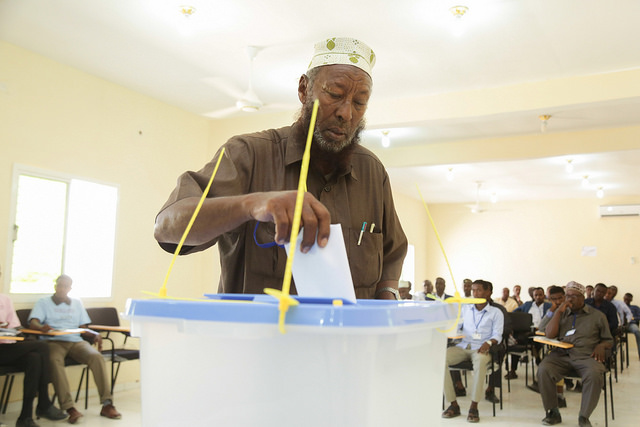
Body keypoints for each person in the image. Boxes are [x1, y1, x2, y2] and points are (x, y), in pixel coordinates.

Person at [154, 37, 407, 301]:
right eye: (335, 95)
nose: (347, 113)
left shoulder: (372, 172)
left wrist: (388, 293)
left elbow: (391, 253)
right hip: (260, 340)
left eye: (359, 102)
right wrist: (250, 205)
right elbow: (166, 227)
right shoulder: (248, 154)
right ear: (303, 89)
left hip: (350, 341)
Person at [28, 275, 121, 424]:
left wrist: (95, 334)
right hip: (54, 342)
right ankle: (69, 408)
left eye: (66, 286)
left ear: (70, 288)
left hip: (76, 341)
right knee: (54, 361)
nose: (62, 289)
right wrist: (41, 328)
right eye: (60, 285)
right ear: (55, 286)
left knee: (96, 357)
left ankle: (107, 404)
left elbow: (83, 327)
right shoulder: (43, 302)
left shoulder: (76, 303)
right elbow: (33, 322)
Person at [537, 281, 613, 427]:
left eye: (574, 296)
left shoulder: (597, 316)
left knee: (594, 374)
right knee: (543, 369)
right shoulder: (562, 313)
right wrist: (558, 311)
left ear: (582, 297)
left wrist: (602, 345)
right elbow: (549, 334)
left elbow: (608, 340)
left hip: (586, 356)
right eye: (568, 296)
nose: (570, 299)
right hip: (561, 355)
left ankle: (584, 416)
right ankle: (553, 412)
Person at [0, 292, 67, 427]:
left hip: (8, 346)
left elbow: (14, 326)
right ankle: (43, 402)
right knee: (42, 346)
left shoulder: (5, 298)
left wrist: (19, 333)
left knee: (34, 358)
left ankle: (25, 416)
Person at [442, 280, 504, 423]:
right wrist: (453, 333)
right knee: (441, 359)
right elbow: (457, 327)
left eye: (479, 290)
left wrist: (488, 342)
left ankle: (474, 406)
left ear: (488, 293)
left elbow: (497, 335)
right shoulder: (466, 309)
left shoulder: (496, 312)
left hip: (481, 348)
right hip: (464, 345)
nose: (475, 294)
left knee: (481, 363)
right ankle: (453, 404)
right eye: (473, 290)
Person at [505, 287, 551, 379]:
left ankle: (537, 357)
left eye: (540, 295)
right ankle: (513, 370)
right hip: (527, 331)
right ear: (533, 296)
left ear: (544, 295)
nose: (538, 297)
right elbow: (514, 314)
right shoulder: (527, 305)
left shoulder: (548, 306)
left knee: (534, 341)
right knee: (516, 343)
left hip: (541, 332)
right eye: (536, 295)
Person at [623, 293, 640, 360]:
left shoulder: (635, 307)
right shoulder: (620, 306)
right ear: (623, 298)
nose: (627, 299)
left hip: (631, 324)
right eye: (626, 298)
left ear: (631, 299)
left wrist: (632, 318)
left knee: (637, 331)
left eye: (629, 298)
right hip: (621, 325)